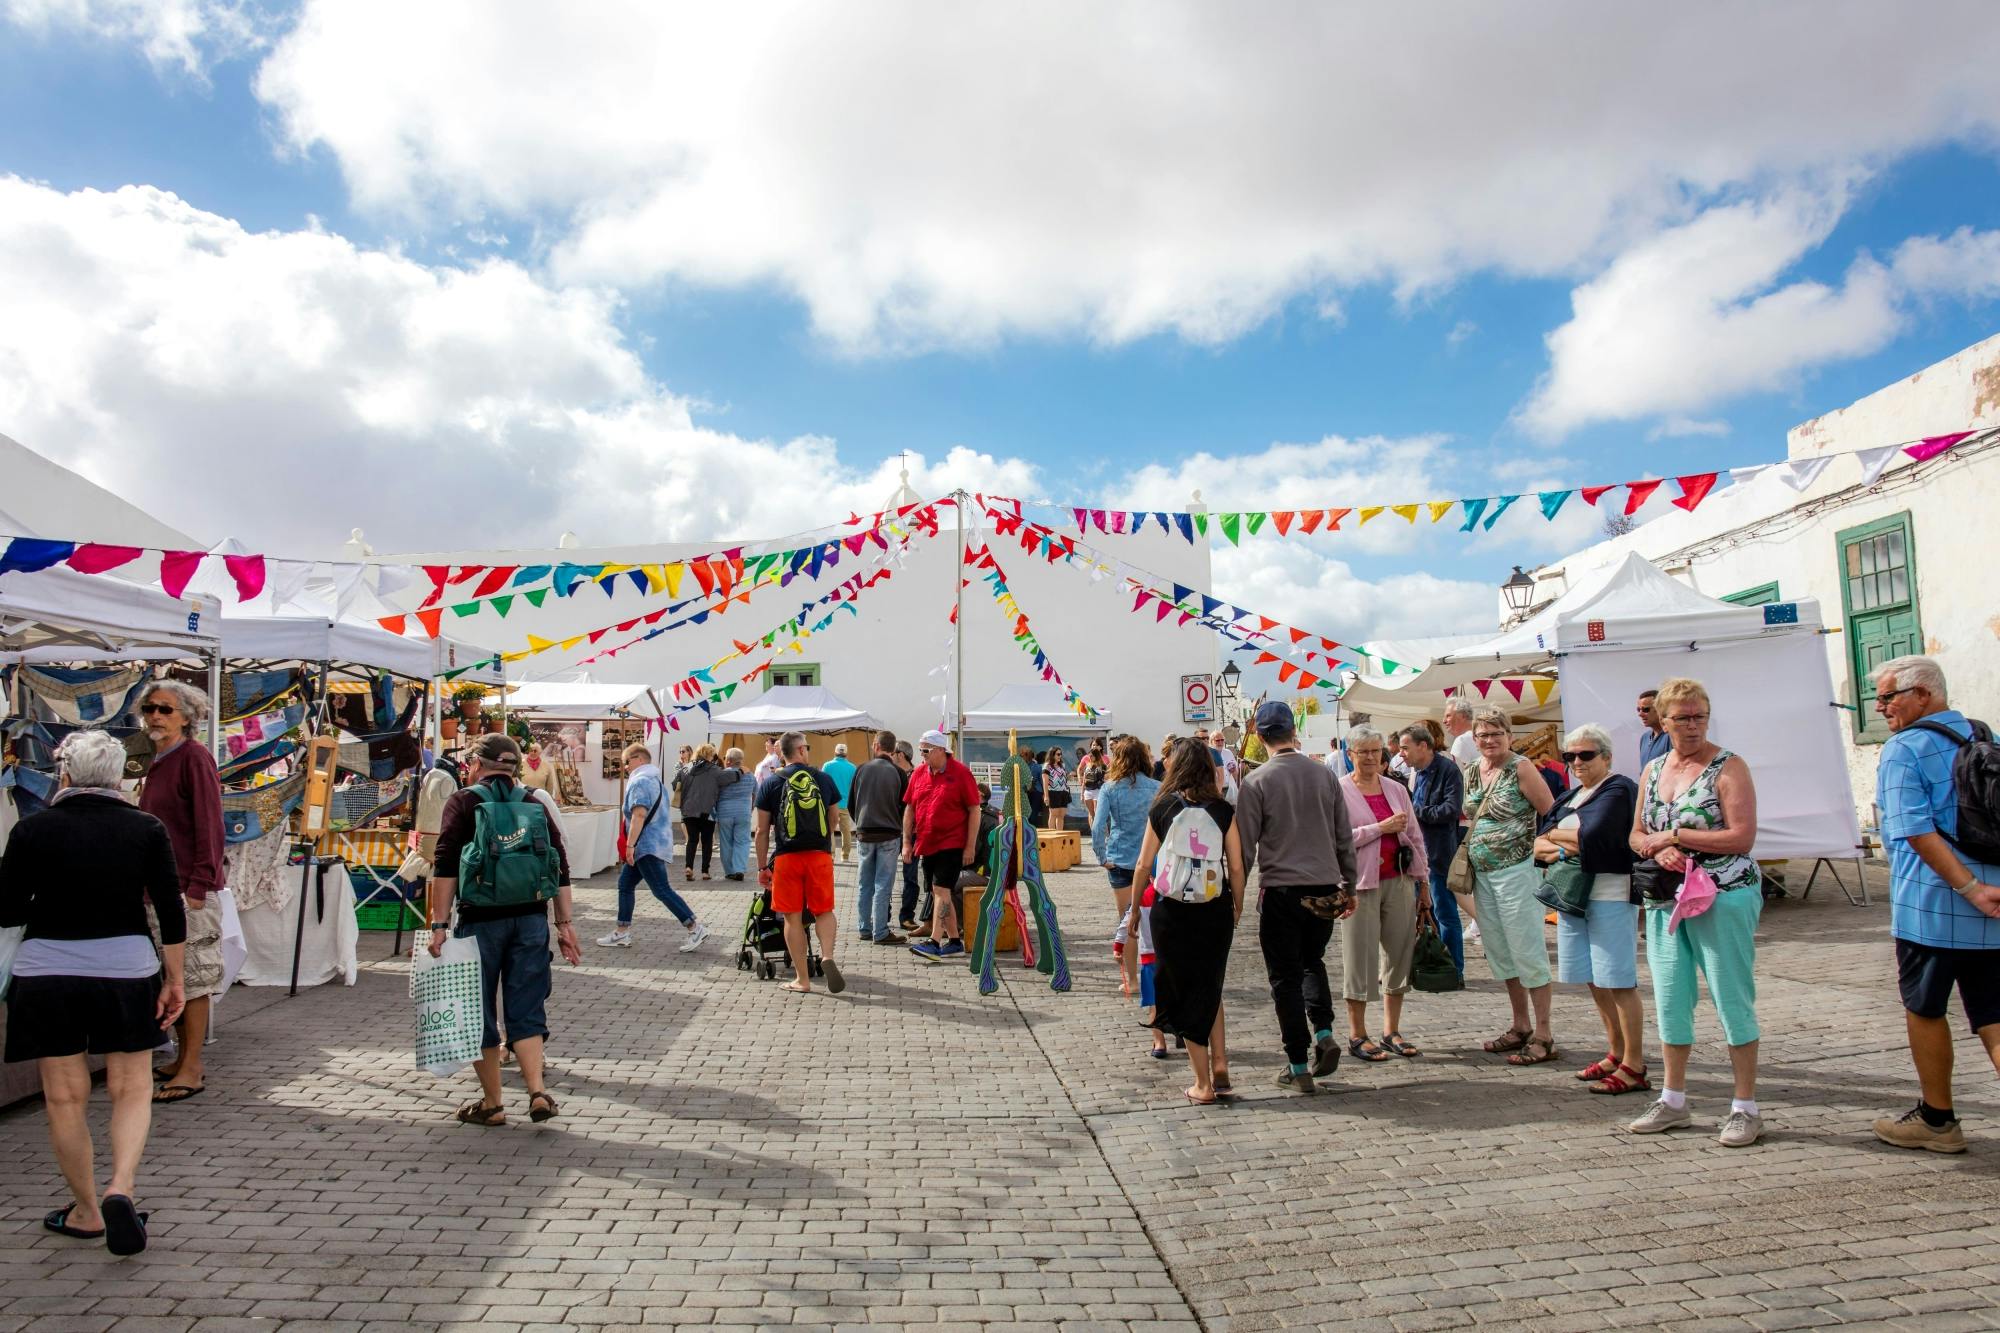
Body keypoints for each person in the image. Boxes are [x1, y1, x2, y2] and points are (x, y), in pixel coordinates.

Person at [1, 731, 185, 1255]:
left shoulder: (33, 829)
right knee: (132, 1085)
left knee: (64, 1097)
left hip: (46, 970)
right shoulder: (146, 828)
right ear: (121, 777)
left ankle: (84, 1210)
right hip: (125, 966)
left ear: (66, 775)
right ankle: (120, 1186)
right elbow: (169, 909)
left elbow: (8, 909)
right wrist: (174, 979)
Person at [1866, 656, 2000, 1152]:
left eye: (1888, 696)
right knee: (1992, 1012)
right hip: (1992, 906)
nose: (1880, 707)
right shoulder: (1985, 735)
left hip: (1932, 906)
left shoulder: (1905, 747)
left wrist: (1967, 888)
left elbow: (1915, 831)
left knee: (1924, 1008)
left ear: (1923, 695)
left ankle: (1937, 1119)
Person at [1625, 677, 1765, 1147]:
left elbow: (1742, 837)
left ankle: (1745, 1106)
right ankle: (1674, 1099)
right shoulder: (1654, 769)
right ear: (1662, 721)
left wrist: (1678, 837)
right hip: (1666, 898)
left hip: (1723, 894)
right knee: (1670, 998)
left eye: (1699, 716)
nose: (1692, 725)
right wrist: (1653, 847)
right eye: (1681, 717)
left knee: (1731, 996)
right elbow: (1637, 834)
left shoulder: (1728, 767)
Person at [427, 733, 582, 1126]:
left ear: (476, 764)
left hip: (480, 921)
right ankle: (536, 1091)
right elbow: (559, 866)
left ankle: (493, 1103)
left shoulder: (464, 801)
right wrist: (564, 924)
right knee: (526, 1005)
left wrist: (438, 924)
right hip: (531, 918)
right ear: (514, 766)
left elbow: (444, 864)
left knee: (477, 1010)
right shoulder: (533, 802)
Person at [1236, 702, 1359, 1095]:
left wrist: (1235, 899)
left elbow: (1245, 850)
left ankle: (1298, 1063)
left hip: (1282, 891)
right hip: (1324, 889)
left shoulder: (1256, 782)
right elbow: (1344, 836)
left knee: (1284, 978)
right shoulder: (1325, 776)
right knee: (1312, 962)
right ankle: (1324, 1031)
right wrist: (1350, 885)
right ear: (1293, 732)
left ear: (1259, 736)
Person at [1122, 736, 1245, 1105]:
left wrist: (1133, 910)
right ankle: (1220, 1063)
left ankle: (1202, 1084)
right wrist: (1236, 905)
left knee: (1184, 989)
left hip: (1171, 911)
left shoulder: (1163, 807)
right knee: (1210, 984)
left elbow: (1144, 864)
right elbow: (1236, 867)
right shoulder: (1222, 810)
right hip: (1214, 909)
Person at [1534, 725, 1646, 1095]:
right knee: (1594, 978)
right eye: (1570, 756)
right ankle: (1615, 1051)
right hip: (1574, 897)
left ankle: (1635, 1063)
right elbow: (1537, 841)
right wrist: (1570, 843)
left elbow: (1596, 836)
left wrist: (1560, 841)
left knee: (1618, 979)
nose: (1577, 762)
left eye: (1586, 755)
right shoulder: (1572, 794)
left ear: (1607, 757)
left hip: (1611, 893)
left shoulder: (1618, 788)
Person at [135, 680, 223, 1107]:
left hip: (187, 887)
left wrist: (200, 883)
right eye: (149, 708)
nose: (154, 716)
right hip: (158, 888)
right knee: (173, 978)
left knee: (193, 978)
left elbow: (210, 823)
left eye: (164, 709)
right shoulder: (155, 759)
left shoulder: (193, 757)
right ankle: (183, 1058)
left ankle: (191, 1065)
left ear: (186, 717)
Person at [1464, 706, 1559, 1067]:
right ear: (1474, 739)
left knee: (1527, 949)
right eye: (1483, 735)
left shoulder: (1521, 767)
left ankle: (1545, 1033)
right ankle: (1520, 1025)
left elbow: (1550, 812)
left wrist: (1541, 853)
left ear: (1509, 735)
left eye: (1496, 733)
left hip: (1517, 871)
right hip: (1483, 874)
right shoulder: (1473, 771)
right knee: (1501, 952)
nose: (1489, 740)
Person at [1337, 726, 1431, 1061]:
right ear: (1350, 754)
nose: (1370, 758)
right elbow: (1337, 840)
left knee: (1398, 953)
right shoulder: (1340, 791)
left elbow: (1415, 836)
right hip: (1360, 885)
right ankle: (1357, 1032)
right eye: (1362, 751)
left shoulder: (1395, 788)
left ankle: (1391, 1029)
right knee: (1359, 959)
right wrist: (1380, 828)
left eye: (1375, 751)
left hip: (1400, 878)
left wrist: (1423, 883)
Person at [753, 730, 846, 994]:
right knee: (823, 911)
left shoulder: (770, 783)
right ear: (802, 750)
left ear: (781, 753)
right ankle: (826, 955)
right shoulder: (824, 779)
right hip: (819, 856)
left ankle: (802, 980)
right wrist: (825, 846)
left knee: (792, 919)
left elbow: (761, 830)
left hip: (787, 858)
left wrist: (762, 867)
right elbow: (834, 820)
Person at [597, 743, 708, 951]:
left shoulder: (640, 781)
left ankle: (695, 927)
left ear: (638, 759)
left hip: (646, 845)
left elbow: (639, 814)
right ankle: (622, 931)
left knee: (661, 890)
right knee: (625, 885)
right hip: (652, 843)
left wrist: (630, 845)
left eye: (626, 762)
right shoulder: (655, 780)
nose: (625, 767)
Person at [904, 730, 982, 962]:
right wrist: (907, 842)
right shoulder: (918, 773)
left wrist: (969, 847)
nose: (921, 755)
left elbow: (974, 810)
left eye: (925, 751)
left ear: (940, 750)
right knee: (939, 892)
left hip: (952, 841)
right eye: (920, 751)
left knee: (941, 890)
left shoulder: (961, 773)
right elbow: (909, 808)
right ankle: (955, 941)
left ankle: (935, 941)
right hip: (927, 842)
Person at [1400, 726, 1467, 973]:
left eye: (1406, 747)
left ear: (1423, 746)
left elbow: (1450, 810)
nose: (1402, 754)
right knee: (1422, 911)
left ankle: (1454, 970)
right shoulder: (1415, 774)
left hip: (1438, 855)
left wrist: (1414, 813)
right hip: (1417, 854)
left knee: (1445, 912)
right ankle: (1431, 964)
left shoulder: (1448, 770)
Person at [1092, 735, 1159, 967]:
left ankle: (1131, 980)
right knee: (1154, 921)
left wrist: (1102, 856)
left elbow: (1097, 826)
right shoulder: (1158, 788)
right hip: (1151, 861)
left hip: (1120, 860)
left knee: (1128, 920)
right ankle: (1158, 976)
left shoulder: (1109, 789)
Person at [847, 730, 908, 945]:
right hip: (889, 834)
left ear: (876, 746)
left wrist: (861, 822)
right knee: (883, 883)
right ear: (894, 750)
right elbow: (905, 806)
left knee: (865, 883)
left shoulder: (861, 769)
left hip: (865, 833)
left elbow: (851, 803)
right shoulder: (898, 773)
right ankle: (880, 931)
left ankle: (864, 927)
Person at [677, 744, 739, 881]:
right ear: (710, 755)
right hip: (707, 811)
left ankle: (689, 867)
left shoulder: (686, 768)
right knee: (706, 842)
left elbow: (676, 784)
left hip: (688, 810)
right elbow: (729, 778)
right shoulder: (714, 770)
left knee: (692, 840)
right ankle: (705, 872)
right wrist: (740, 772)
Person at [892, 740, 923, 931]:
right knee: (885, 876)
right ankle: (883, 916)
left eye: (893, 753)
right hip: (892, 830)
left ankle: (906, 916)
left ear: (901, 755)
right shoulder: (891, 774)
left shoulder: (917, 775)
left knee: (910, 876)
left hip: (912, 833)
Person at [714, 746, 754, 881]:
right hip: (743, 812)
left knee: (726, 842)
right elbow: (756, 793)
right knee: (742, 841)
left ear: (729, 761)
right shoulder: (749, 775)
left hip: (725, 812)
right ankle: (739, 868)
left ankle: (730, 871)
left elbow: (716, 793)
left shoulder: (722, 775)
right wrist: (751, 807)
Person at [824, 742, 858, 862]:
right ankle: (845, 856)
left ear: (835, 752)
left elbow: (823, 784)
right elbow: (855, 787)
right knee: (846, 831)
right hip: (845, 803)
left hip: (830, 803)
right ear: (846, 754)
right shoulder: (853, 767)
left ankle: (831, 855)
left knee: (830, 829)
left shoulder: (827, 766)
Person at [1636, 689, 1672, 771]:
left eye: (1645, 709)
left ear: (1660, 709)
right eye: (1638, 709)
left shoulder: (1671, 736)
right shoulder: (1644, 738)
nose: (1640, 714)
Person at [1443, 698, 1479, 775]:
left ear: (1462, 716)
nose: (1444, 721)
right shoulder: (1480, 737)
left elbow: (1455, 777)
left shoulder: (1462, 740)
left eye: (1448, 716)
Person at [1041, 746, 1071, 831]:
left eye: (1061, 754)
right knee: (1053, 814)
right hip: (1053, 792)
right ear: (1052, 755)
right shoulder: (1047, 766)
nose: (1060, 756)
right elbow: (1045, 782)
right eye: (1058, 754)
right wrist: (1046, 796)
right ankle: (1052, 834)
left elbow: (1063, 778)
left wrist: (1069, 775)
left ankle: (1059, 834)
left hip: (1063, 792)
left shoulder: (1062, 765)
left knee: (1061, 815)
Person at [1078, 741, 1107, 824]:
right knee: (1092, 814)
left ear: (1096, 756)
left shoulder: (1103, 766)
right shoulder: (1088, 765)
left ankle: (1105, 834)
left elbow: (1106, 778)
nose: (1090, 758)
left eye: (1091, 756)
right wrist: (1082, 793)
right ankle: (1094, 833)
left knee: (1098, 814)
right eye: (1089, 756)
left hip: (1098, 790)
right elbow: (1084, 780)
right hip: (1088, 791)